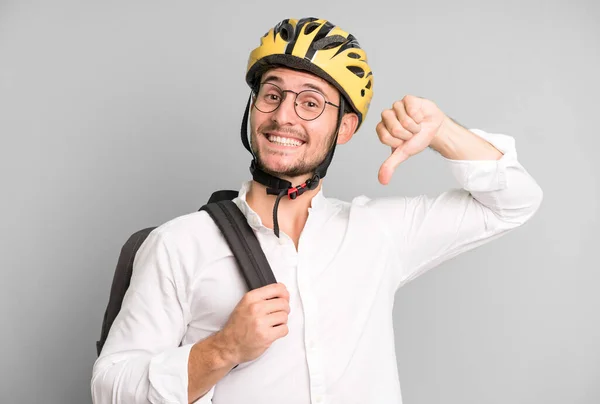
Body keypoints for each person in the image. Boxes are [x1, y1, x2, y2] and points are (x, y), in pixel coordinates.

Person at [91, 17, 543, 404]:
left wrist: (442, 130)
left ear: (345, 128)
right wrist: (223, 349)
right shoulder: (179, 243)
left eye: (310, 102)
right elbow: (109, 385)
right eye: (272, 95)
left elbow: (514, 202)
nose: (284, 116)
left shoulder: (377, 234)